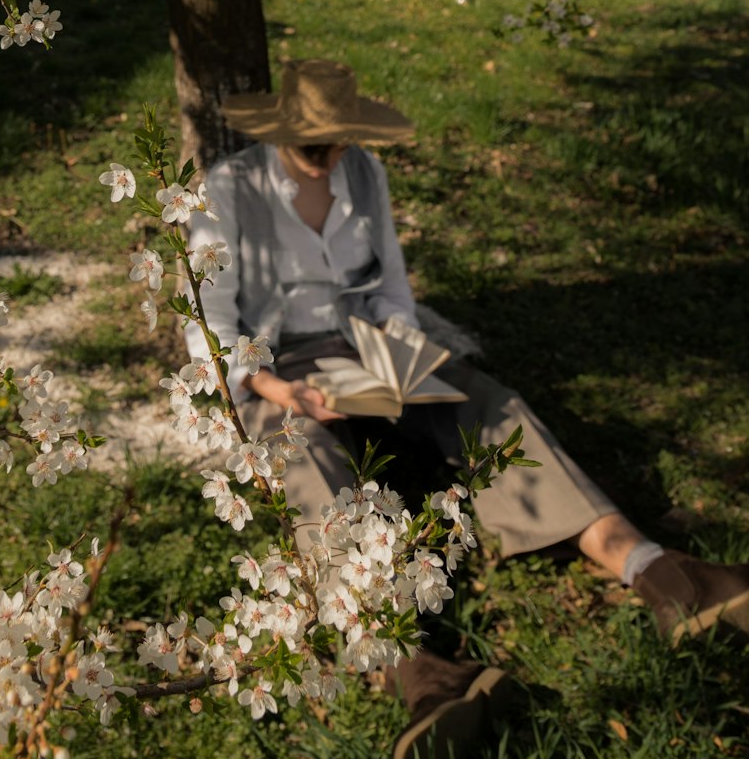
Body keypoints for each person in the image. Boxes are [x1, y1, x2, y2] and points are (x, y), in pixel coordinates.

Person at [185, 58, 749, 759]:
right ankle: (418, 669)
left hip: (368, 347)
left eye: (340, 143)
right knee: (304, 463)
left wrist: (402, 356)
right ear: (280, 137)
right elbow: (207, 325)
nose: (330, 159)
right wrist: (276, 391)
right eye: (314, 147)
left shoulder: (363, 174)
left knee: (493, 406)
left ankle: (661, 573)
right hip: (277, 369)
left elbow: (390, 287)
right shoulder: (229, 193)